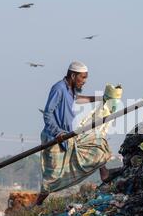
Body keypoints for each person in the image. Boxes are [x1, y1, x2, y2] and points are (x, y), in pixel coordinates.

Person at [35, 61, 122, 206]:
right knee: (53, 177)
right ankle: (37, 204)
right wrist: (57, 133)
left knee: (96, 140)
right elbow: (47, 114)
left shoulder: (71, 89)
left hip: (67, 135)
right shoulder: (59, 88)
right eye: (83, 78)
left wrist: (101, 99)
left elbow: (78, 100)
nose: (84, 81)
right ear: (73, 75)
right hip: (54, 137)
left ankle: (104, 173)